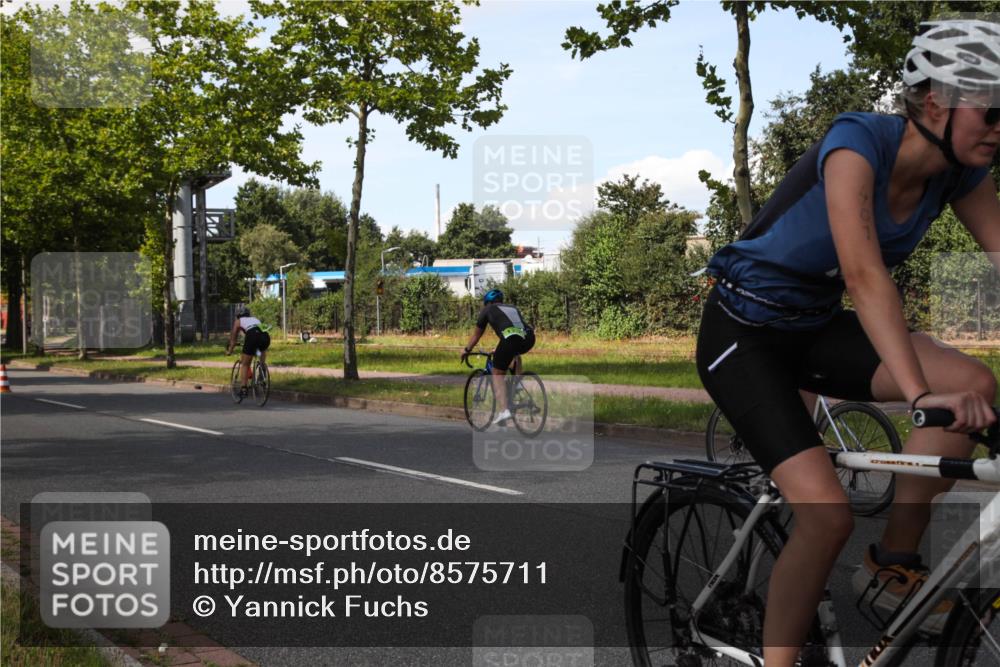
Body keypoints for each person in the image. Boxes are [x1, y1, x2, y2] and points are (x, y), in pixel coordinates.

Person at [695, 19, 1000, 665]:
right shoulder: (857, 141)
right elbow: (864, 274)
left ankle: (892, 564)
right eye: (994, 110)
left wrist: (935, 392)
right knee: (826, 514)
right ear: (937, 102)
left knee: (973, 384)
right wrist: (919, 394)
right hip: (742, 334)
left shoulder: (962, 173)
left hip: (812, 329)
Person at [461, 289, 535, 425]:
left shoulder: (487, 310)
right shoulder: (512, 308)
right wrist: (500, 347)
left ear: (487, 302)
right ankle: (517, 384)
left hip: (510, 339)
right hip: (529, 337)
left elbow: (477, 335)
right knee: (514, 354)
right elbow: (513, 329)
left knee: (496, 373)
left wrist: (467, 350)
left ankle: (504, 410)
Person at [226, 305, 271, 397]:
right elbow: (259, 330)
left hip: (252, 336)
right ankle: (262, 368)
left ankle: (244, 389)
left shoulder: (238, 322)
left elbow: (233, 340)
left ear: (237, 315)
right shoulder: (255, 319)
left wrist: (230, 351)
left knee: (245, 364)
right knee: (260, 349)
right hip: (265, 336)